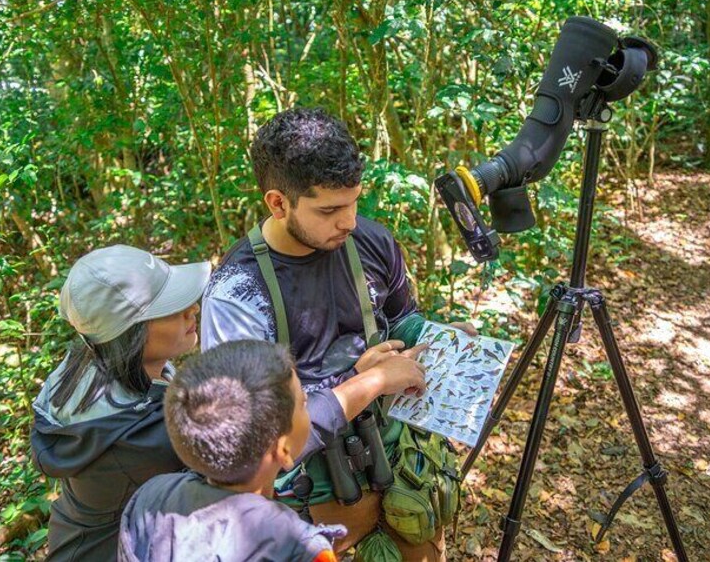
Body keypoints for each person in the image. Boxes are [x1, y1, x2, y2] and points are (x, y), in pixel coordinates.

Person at [202, 107, 476, 560]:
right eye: (329, 209)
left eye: (353, 202)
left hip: (403, 471)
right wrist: (361, 382)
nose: (347, 221)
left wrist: (436, 333)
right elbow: (256, 443)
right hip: (309, 499)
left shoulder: (370, 240)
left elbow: (398, 319)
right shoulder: (238, 294)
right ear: (277, 202)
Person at [30, 245, 211, 561]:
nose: (192, 309)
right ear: (132, 334)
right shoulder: (139, 437)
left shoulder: (92, 360)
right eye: (171, 307)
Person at [118, 340, 346, 562]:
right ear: (283, 450)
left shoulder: (151, 497)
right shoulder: (299, 547)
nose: (306, 401)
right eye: (303, 403)